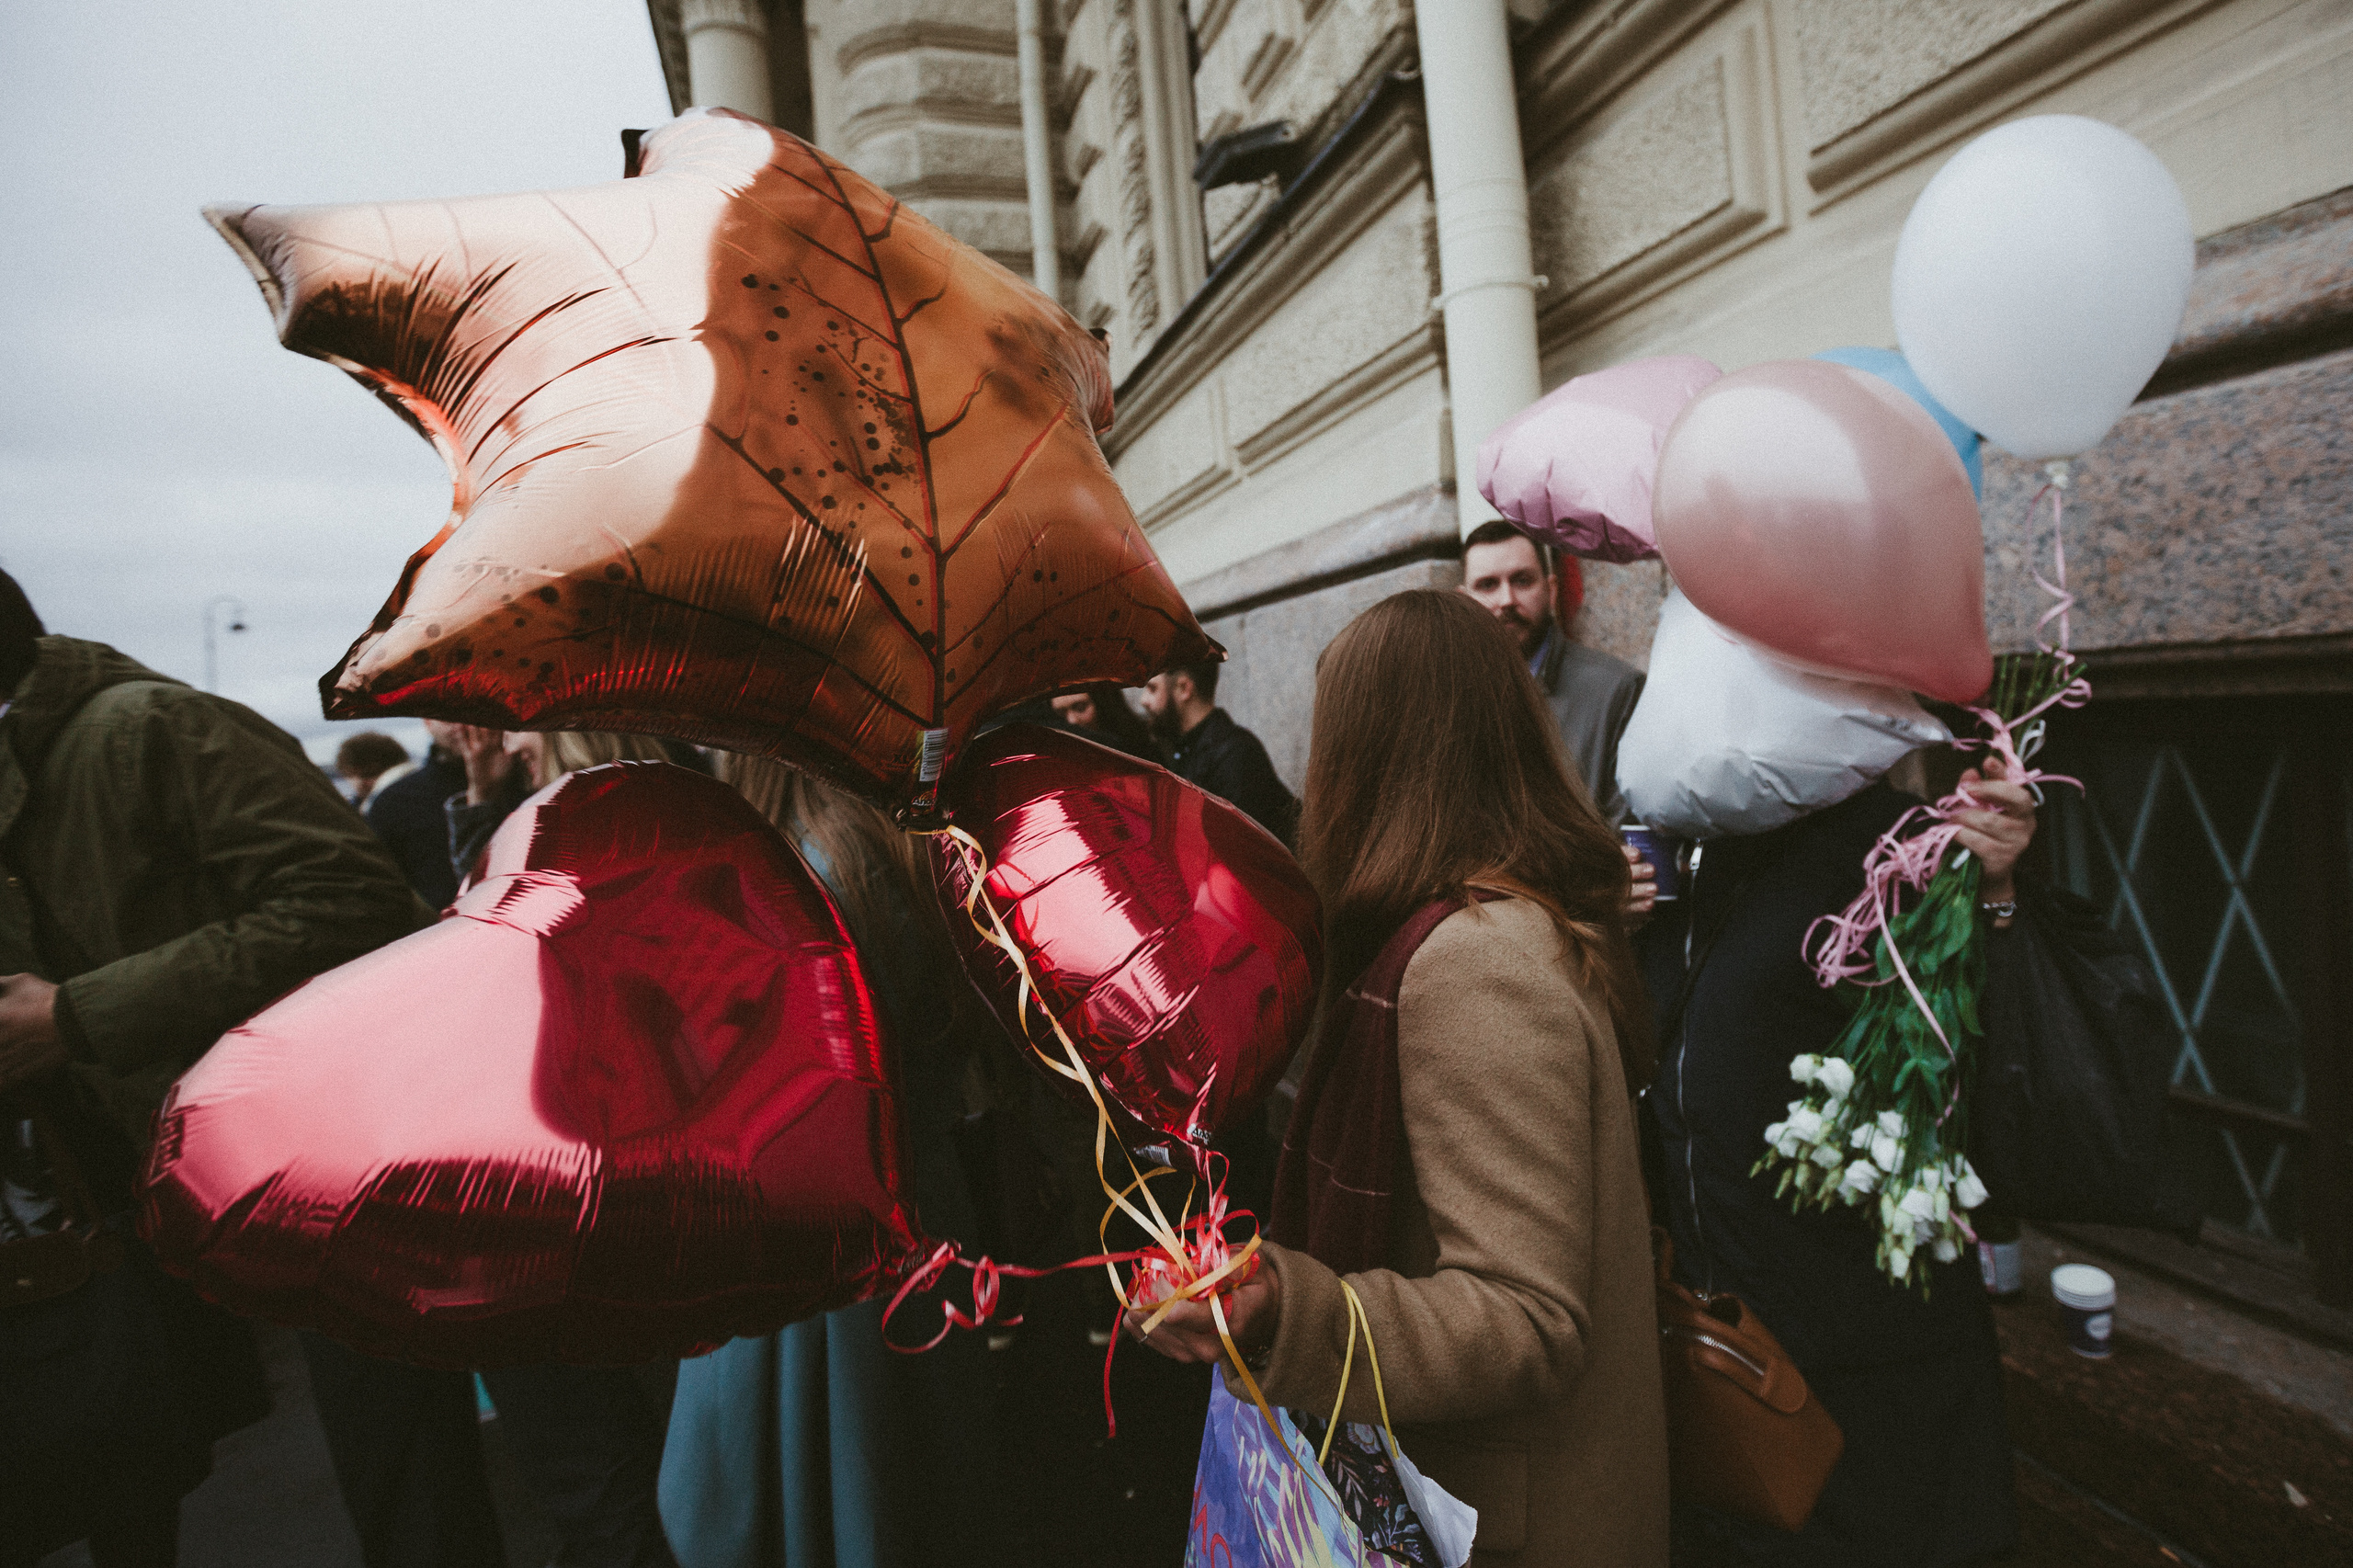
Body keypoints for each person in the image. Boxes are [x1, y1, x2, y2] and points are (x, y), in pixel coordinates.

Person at [1128, 589, 1670, 1565]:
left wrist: (1286, 1308)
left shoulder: (1477, 961)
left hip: (1500, 1519)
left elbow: (1526, 1314)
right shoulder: (1503, 920)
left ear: (1368, 757)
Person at [0, 570, 431, 1568]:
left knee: (395, 1455)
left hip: (321, 1160)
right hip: (159, 1171)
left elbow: (352, 896)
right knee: (132, 1463)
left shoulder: (152, 725)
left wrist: (72, 1016)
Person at [1642, 756, 2040, 1566]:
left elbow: (1991, 1079)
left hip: (1876, 1336)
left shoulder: (1902, 842)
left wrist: (1994, 898)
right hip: (1729, 1311)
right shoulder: (1687, 854)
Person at [660, 756, 1010, 1568]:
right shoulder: (904, 846)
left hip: (814, 1239)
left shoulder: (786, 880)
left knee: (824, 1489)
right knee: (920, 1481)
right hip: (921, 1209)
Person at [1459, 519, 1644, 823]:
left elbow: (1629, 841)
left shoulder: (1616, 691)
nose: (1506, 600)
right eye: (1488, 585)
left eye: (1522, 580)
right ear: (1463, 602)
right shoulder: (1448, 701)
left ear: (1552, 590)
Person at [1137, 661, 1298, 845]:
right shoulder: (1187, 750)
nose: (1143, 701)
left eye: (1152, 688)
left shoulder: (1234, 753)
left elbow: (1242, 849)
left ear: (1184, 688)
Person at [363, 721, 471, 911]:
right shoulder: (394, 803)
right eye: (447, 714)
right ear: (428, 722)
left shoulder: (532, 784)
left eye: (472, 709)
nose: (460, 724)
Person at [1049, 681, 1161, 762]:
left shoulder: (1140, 749)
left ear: (1102, 704)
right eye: (1061, 713)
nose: (1071, 721)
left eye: (1080, 708)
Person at [335, 730, 413, 808]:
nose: (359, 783)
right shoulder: (349, 809)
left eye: (368, 775)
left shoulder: (410, 806)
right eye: (350, 775)